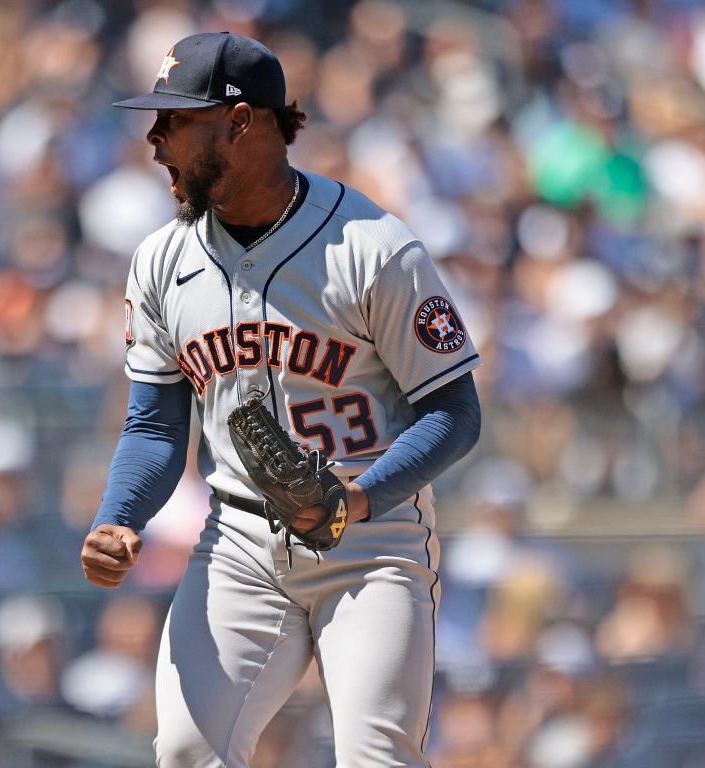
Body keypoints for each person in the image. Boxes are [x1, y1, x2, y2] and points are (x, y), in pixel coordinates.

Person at [81, 32, 482, 768]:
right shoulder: (161, 260)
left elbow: (455, 413)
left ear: (240, 123)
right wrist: (120, 515)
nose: (156, 138)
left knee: (377, 756)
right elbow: (155, 426)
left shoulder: (372, 247)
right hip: (238, 541)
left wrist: (359, 499)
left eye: (177, 120)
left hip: (371, 543)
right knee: (186, 752)